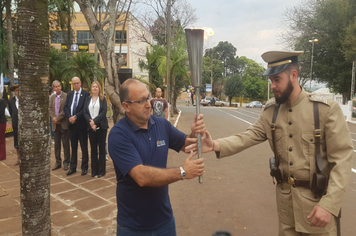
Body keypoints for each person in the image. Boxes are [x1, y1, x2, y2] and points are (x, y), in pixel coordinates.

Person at [188, 51, 354, 236]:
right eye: (271, 80)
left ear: (293, 75)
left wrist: (329, 205)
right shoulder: (271, 111)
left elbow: (342, 159)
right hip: (286, 209)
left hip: (317, 209)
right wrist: (214, 144)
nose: (273, 86)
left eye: (277, 80)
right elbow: (248, 136)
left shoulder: (323, 110)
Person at [108, 78, 205, 236]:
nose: (149, 104)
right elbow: (141, 176)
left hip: (164, 222)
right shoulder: (119, 135)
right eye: (141, 101)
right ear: (126, 106)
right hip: (133, 228)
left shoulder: (161, 124)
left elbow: (186, 144)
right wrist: (182, 172)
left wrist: (194, 133)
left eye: (148, 97)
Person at [64, 77, 90, 176]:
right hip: (71, 125)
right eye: (73, 83)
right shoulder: (70, 94)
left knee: (84, 147)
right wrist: (69, 117)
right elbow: (66, 107)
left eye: (77, 83)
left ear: (80, 83)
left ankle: (84, 167)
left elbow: (84, 109)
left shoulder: (86, 94)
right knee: (73, 147)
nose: (75, 85)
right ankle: (72, 167)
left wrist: (75, 117)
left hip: (81, 125)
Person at [84, 81, 108, 178]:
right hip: (91, 127)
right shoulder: (87, 99)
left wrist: (94, 121)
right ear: (91, 88)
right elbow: (85, 112)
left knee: (101, 149)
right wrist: (91, 122)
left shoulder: (103, 99)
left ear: (99, 89)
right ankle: (94, 170)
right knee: (93, 149)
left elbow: (104, 112)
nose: (94, 88)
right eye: (93, 86)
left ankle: (101, 171)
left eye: (96, 87)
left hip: (101, 127)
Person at [49, 80, 70, 171]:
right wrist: (53, 118)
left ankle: (66, 162)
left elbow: (66, 109)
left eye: (58, 86)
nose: (57, 88)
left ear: (61, 87)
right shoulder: (52, 97)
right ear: (53, 88)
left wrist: (58, 118)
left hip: (63, 123)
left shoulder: (66, 96)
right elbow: (49, 108)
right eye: (55, 86)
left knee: (65, 144)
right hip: (55, 125)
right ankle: (58, 162)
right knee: (57, 144)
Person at [8, 84, 19, 165]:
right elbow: (11, 112)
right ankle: (18, 158)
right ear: (14, 92)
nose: (18, 92)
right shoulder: (11, 101)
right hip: (15, 124)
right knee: (16, 142)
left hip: (25, 125)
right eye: (17, 90)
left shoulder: (25, 100)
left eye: (19, 90)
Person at [0, 93, 6, 161]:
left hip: (1, 122)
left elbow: (1, 112)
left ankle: (2, 155)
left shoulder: (2, 101)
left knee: (1, 139)